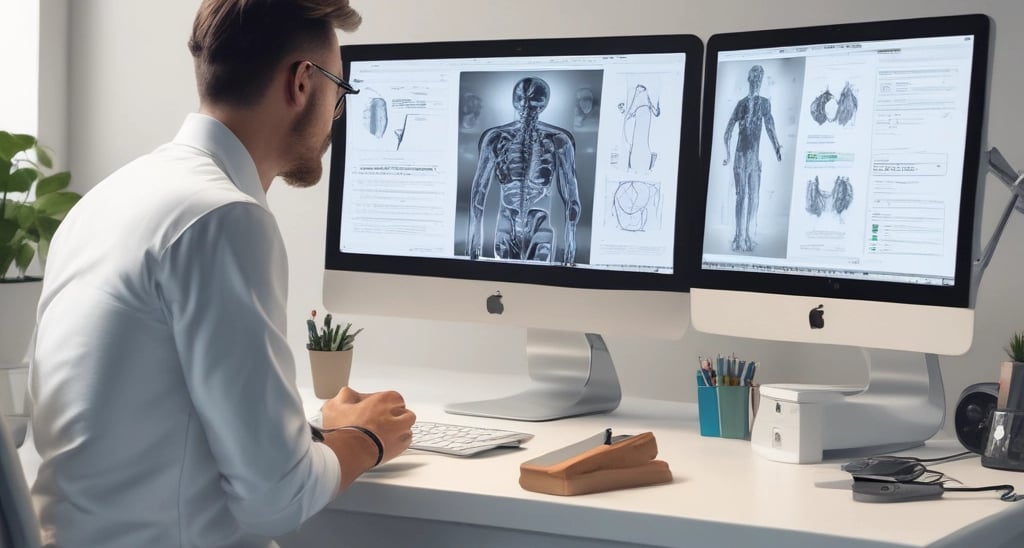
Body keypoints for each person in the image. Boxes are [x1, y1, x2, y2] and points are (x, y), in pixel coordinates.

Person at [28, 1, 415, 547]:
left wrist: (311, 433)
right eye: (340, 92)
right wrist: (362, 438)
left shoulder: (106, 199)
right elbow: (276, 499)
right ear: (303, 83)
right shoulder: (223, 218)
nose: (336, 115)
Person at [467, 76, 582, 265]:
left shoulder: (558, 140)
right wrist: (474, 242)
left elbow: (571, 193)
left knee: (538, 281)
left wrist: (570, 245)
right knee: (502, 278)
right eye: (521, 98)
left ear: (543, 104)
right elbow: (478, 191)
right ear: (514, 101)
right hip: (506, 221)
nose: (527, 105)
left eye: (534, 99)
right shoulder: (495, 137)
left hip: (540, 222)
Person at [722, 64, 783, 253]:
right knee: (742, 197)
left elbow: (770, 127)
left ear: (761, 81)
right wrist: (728, 155)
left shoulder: (764, 103)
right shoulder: (741, 104)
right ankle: (739, 236)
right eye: (754, 78)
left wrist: (777, 148)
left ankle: (745, 235)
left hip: (752, 159)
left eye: (759, 78)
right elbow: (728, 131)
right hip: (741, 158)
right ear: (749, 80)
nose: (756, 81)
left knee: (752, 197)